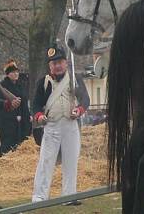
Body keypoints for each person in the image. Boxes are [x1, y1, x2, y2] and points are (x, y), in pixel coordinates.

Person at [31, 45, 90, 203]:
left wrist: (79, 110)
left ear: (66, 63)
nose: (57, 66)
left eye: (60, 62)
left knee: (71, 162)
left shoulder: (74, 80)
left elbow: (85, 99)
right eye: (53, 63)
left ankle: (69, 196)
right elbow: (35, 105)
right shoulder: (44, 82)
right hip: (52, 126)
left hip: (70, 126)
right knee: (46, 162)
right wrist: (39, 116)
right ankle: (39, 197)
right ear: (50, 66)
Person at [0, 59, 30, 155]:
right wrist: (7, 103)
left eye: (17, 72)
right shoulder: (2, 86)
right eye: (13, 72)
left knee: (21, 142)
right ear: (8, 74)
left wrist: (28, 116)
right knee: (7, 144)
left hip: (22, 119)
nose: (16, 74)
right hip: (7, 120)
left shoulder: (21, 85)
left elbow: (24, 102)